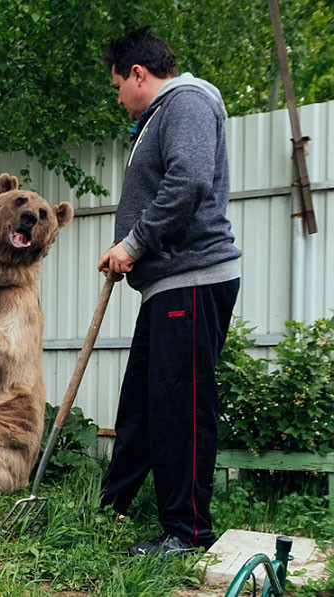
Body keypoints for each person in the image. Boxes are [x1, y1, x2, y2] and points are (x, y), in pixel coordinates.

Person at [97, 27, 241, 556]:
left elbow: (188, 182)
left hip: (194, 279)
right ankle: (113, 505)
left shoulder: (187, 103)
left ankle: (188, 532)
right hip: (168, 284)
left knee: (182, 408)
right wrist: (130, 253)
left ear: (139, 74)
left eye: (118, 85)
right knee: (142, 401)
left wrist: (132, 245)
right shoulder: (162, 116)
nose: (118, 98)